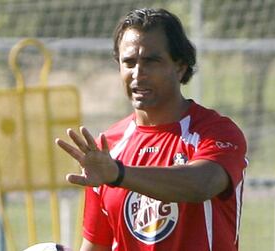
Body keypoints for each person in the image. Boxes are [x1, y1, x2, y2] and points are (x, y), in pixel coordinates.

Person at [55, 8, 248, 251]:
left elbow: (203, 184)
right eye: (129, 63)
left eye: (151, 61)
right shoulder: (106, 150)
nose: (138, 74)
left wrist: (119, 175)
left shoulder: (216, 132)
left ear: (179, 67)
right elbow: (97, 246)